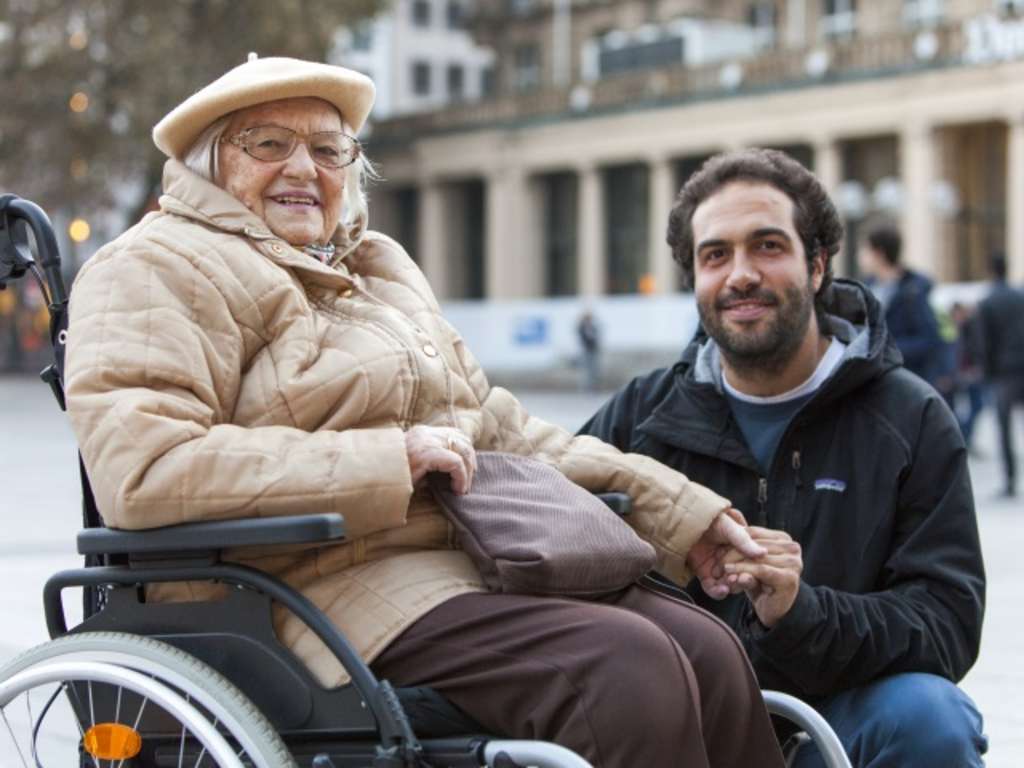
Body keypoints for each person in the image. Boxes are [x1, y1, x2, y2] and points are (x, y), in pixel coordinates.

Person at [62, 55, 785, 768]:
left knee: (710, 652)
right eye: (268, 144)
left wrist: (682, 515)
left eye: (326, 149)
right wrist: (388, 459)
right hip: (291, 587)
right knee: (624, 670)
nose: (302, 169)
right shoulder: (153, 265)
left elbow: (499, 430)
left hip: (456, 567)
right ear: (207, 162)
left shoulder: (376, 269)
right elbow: (146, 469)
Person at [579, 149, 987, 768]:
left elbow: (947, 624)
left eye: (768, 246)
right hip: (680, 730)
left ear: (817, 265)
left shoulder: (909, 417)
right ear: (695, 278)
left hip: (834, 726)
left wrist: (801, 613)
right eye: (715, 255)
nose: (740, 275)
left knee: (931, 718)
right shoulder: (639, 416)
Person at [858, 224, 945, 385]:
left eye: (865, 250)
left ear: (879, 254)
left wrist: (886, 350)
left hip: (906, 381)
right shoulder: (865, 289)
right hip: (874, 381)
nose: (860, 256)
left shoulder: (914, 291)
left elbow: (930, 339)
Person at [977, 252, 1024, 498]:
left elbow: (985, 343)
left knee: (1004, 427)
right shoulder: (1019, 296)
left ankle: (1010, 479)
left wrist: (987, 373)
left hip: (1004, 372)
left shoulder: (989, 301)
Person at [949, 301, 987, 451]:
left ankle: (965, 435)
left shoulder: (969, 326)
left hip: (970, 372)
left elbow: (974, 349)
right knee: (959, 407)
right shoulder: (957, 328)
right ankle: (963, 436)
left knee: (976, 405)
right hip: (961, 373)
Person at [576, 309, 601, 391]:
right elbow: (582, 338)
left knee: (594, 369)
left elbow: (597, 337)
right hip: (586, 350)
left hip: (593, 349)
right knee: (586, 370)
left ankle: (594, 386)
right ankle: (586, 388)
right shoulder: (582, 327)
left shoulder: (593, 327)